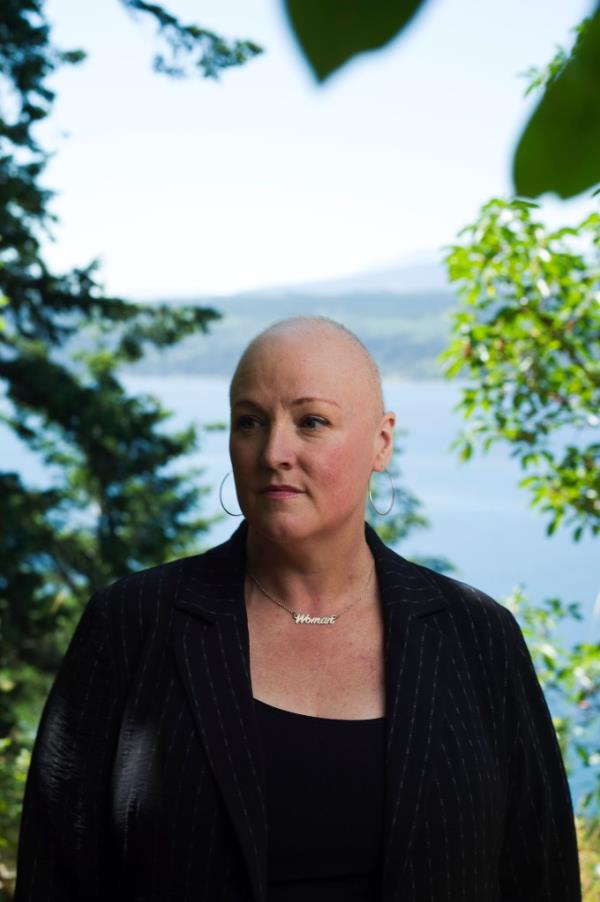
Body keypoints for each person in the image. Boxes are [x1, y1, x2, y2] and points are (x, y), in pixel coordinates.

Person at [15, 315, 581, 901]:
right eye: (250, 422)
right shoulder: (131, 623)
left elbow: (541, 874)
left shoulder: (477, 636)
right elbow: (54, 873)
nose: (273, 451)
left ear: (381, 442)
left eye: (311, 422)